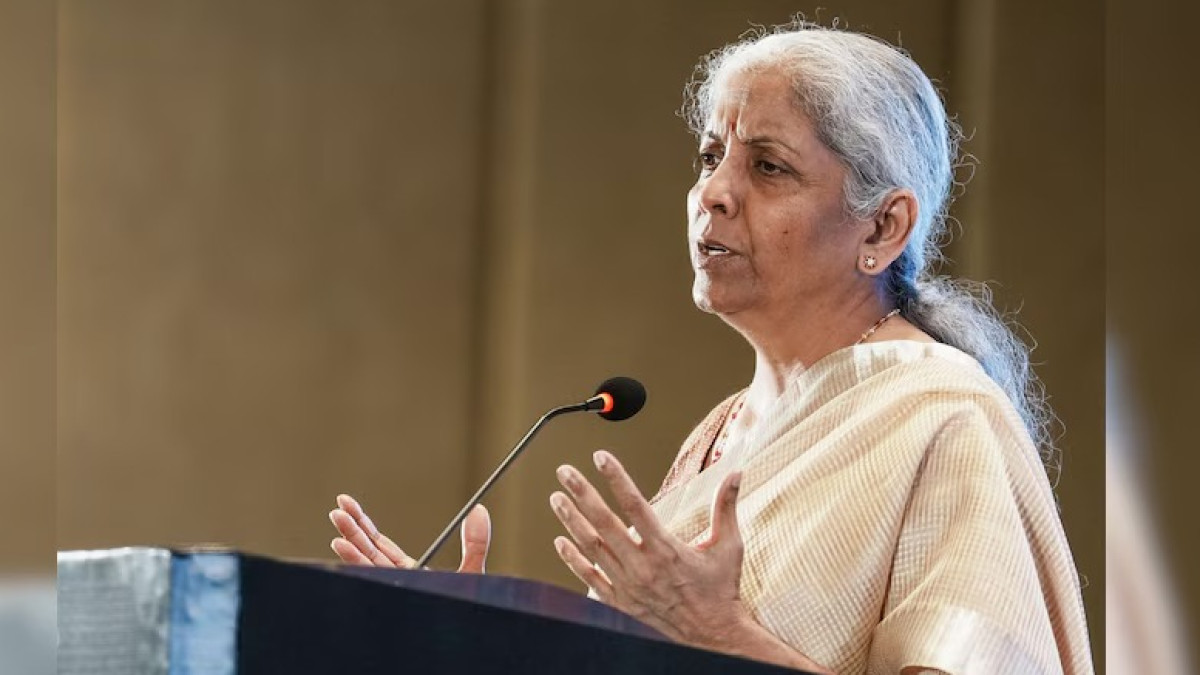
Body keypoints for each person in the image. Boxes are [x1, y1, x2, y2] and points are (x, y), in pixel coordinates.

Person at [328, 21, 1093, 675]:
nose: (714, 193)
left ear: (883, 226)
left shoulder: (945, 420)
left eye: (768, 166)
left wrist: (723, 636)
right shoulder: (721, 432)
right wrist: (469, 646)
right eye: (708, 157)